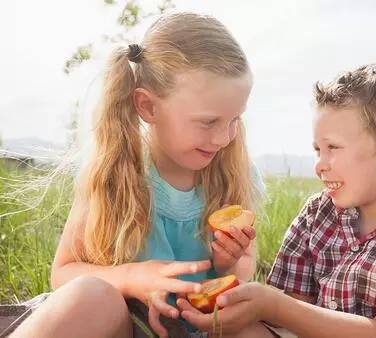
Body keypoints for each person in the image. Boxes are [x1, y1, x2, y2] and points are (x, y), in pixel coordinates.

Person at [8, 11, 265, 338]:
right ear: (148, 107)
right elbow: (63, 273)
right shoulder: (115, 170)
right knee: (90, 296)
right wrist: (131, 278)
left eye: (235, 120)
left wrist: (230, 264)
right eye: (208, 122)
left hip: (200, 330)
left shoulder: (236, 174)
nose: (224, 137)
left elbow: (244, 271)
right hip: (124, 324)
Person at [178, 63, 376, 338]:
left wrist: (274, 305)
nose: (320, 164)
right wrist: (240, 289)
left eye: (332, 147)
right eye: (318, 149)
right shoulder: (316, 214)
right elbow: (288, 313)